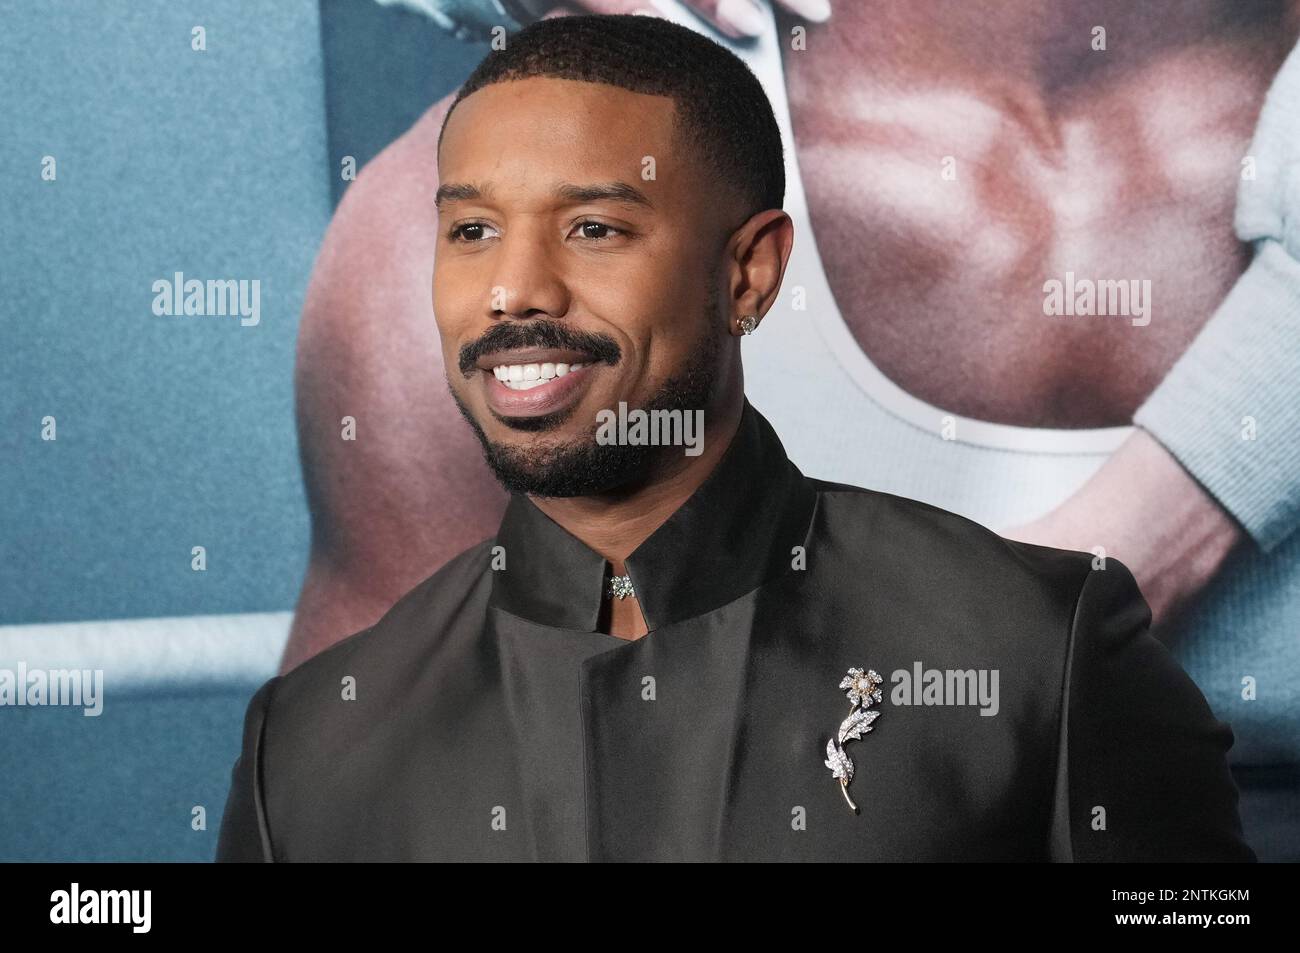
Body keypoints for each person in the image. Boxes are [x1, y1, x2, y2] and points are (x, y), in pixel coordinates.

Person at [217, 14, 1253, 861]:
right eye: (471, 232)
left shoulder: (1046, 650)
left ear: (750, 272)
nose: (514, 291)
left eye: (594, 229)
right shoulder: (307, 748)